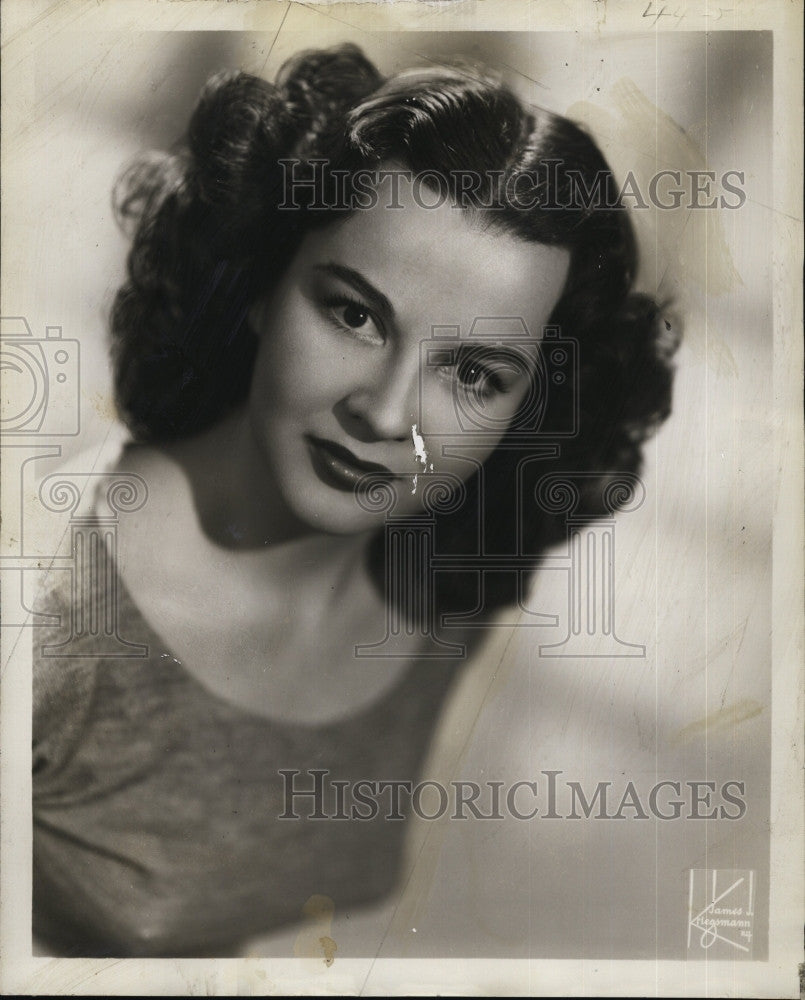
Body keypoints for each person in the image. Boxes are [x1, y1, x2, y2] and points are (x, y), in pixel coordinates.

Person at [31, 43, 677, 957]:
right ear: (259, 285)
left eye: (472, 372)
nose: (381, 411)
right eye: (353, 314)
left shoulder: (442, 595)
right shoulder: (48, 604)